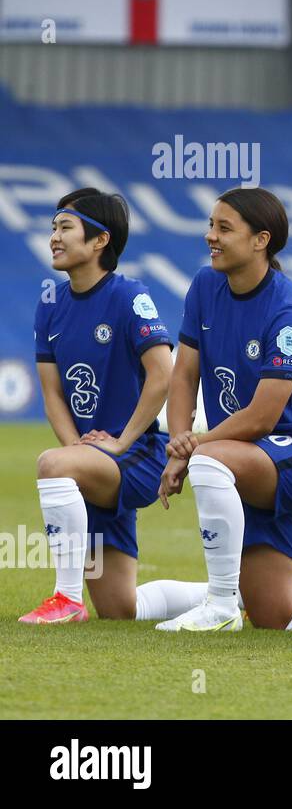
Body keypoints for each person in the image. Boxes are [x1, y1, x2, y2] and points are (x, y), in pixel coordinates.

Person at [156, 188, 292, 633]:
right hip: (238, 457)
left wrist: (194, 447)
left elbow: (262, 417)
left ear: (261, 240)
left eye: (224, 228)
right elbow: (183, 375)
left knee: (210, 459)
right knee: (276, 617)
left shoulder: (289, 308)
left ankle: (220, 606)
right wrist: (179, 438)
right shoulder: (205, 285)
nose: (210, 237)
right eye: (211, 225)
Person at [20, 189, 207, 624]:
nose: (54, 237)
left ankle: (66, 601)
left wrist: (120, 443)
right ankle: (231, 593)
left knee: (51, 465)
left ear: (100, 240)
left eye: (65, 227)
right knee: (121, 609)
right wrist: (78, 450)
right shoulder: (50, 305)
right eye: (53, 227)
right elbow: (52, 394)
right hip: (94, 461)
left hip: (137, 458)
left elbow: (164, 373)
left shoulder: (128, 296)